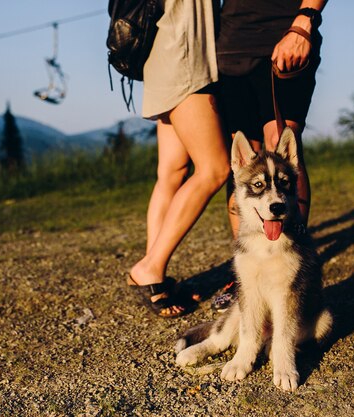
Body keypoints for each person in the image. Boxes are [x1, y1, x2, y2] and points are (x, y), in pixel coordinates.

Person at [211, 0, 327, 312]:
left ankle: (292, 259)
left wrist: (305, 20)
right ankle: (247, 272)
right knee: (244, 161)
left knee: (282, 145)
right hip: (230, 47)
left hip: (286, 33)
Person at [127, 0, 230, 318]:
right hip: (187, 59)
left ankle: (152, 277)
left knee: (173, 171)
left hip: (163, 54)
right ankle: (150, 267)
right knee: (215, 169)